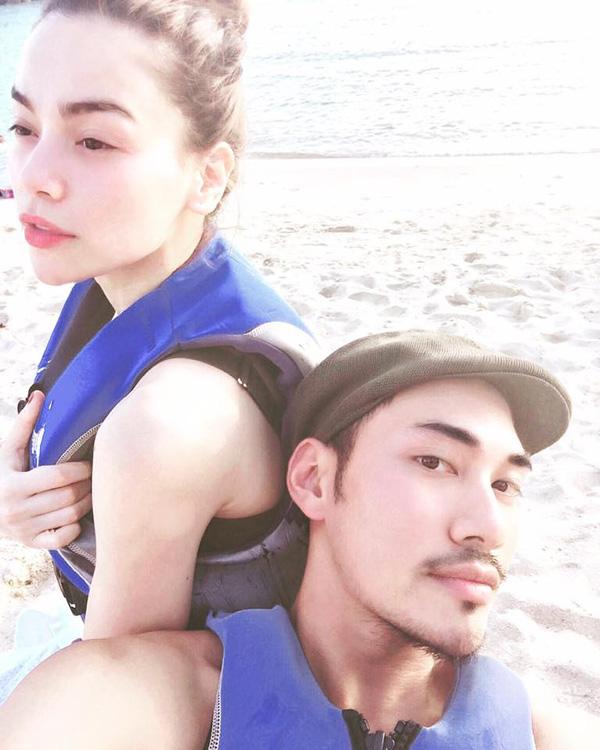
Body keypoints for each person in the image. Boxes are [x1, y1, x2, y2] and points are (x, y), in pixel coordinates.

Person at [2, 330, 598, 748]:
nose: (487, 526)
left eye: (505, 485)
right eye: (434, 462)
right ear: (314, 479)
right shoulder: (157, 700)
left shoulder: (544, 736)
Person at [0, 0, 318, 646]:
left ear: (207, 176)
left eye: (94, 141)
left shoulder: (171, 423)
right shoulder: (129, 271)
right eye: (25, 126)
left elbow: (113, 688)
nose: (32, 179)